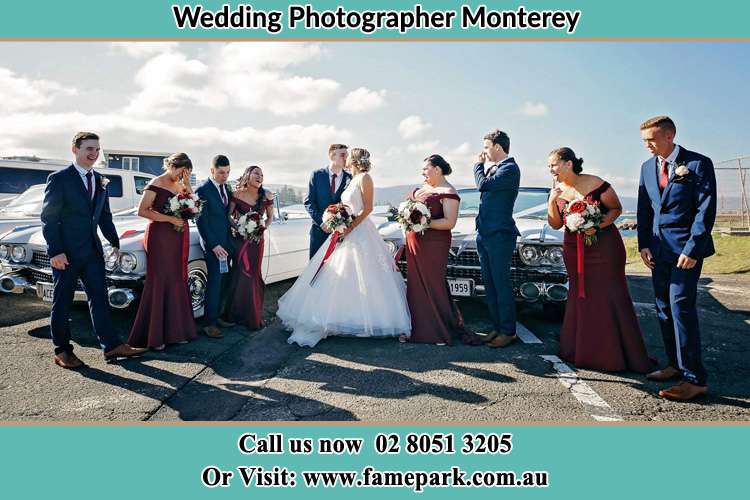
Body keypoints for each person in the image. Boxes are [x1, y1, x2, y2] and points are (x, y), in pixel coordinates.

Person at [277, 148, 411, 347]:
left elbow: (368, 209)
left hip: (360, 230)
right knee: (341, 273)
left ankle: (367, 319)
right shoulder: (352, 179)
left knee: (366, 273)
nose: (345, 158)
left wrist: (350, 227)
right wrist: (337, 218)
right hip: (346, 229)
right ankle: (341, 315)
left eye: (348, 156)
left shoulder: (365, 178)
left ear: (354, 160)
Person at [40, 131, 146, 368]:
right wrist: (55, 251)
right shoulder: (60, 178)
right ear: (75, 149)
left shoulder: (100, 179)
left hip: (93, 253)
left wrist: (115, 242)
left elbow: (104, 216)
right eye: (89, 149)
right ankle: (62, 351)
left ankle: (112, 346)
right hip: (65, 254)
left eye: (97, 149)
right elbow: (48, 218)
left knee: (99, 299)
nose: (94, 154)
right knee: (63, 302)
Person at [547, 147, 654, 373]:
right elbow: (556, 224)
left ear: (568, 163)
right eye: (549, 166)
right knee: (580, 294)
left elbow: (616, 209)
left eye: (554, 164)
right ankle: (580, 350)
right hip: (574, 248)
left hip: (604, 248)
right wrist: (552, 200)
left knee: (609, 294)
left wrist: (595, 225)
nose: (551, 170)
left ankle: (615, 354)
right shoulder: (557, 190)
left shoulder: (595, 183)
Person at [637, 116, 717, 401]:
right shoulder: (647, 168)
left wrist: (692, 249)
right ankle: (674, 364)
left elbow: (705, 211)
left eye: (651, 139)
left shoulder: (698, 164)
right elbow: (644, 207)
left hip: (686, 252)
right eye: (644, 139)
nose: (646, 144)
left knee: (681, 307)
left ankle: (694, 379)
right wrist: (643, 244)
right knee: (662, 308)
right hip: (658, 251)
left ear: (669, 136)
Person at [404, 154, 480, 346]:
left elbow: (449, 222)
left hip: (434, 245)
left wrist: (424, 223)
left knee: (432, 284)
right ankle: (415, 327)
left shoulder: (448, 192)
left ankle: (435, 331)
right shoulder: (422, 189)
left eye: (425, 168)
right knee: (415, 285)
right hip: (415, 243)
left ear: (437, 169)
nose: (422, 172)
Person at [128, 153, 198, 350]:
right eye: (180, 171)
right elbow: (142, 211)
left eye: (186, 172)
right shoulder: (156, 182)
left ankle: (177, 332)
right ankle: (155, 335)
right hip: (160, 236)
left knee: (177, 279)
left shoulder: (181, 184)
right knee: (160, 279)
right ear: (171, 165)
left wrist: (187, 184)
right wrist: (169, 219)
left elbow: (193, 207)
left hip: (178, 237)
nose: (181, 175)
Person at [473, 130, 520, 348]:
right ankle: (496, 327)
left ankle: (508, 331)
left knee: (501, 284)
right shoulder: (496, 169)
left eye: (486, 147)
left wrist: (477, 166)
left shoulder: (510, 169)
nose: (483, 151)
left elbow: (483, 185)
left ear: (497, 147)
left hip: (500, 235)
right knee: (489, 284)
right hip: (485, 233)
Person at [225, 166, 275, 330]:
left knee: (253, 274)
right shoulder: (237, 194)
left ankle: (253, 315)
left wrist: (261, 229)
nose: (260, 177)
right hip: (240, 240)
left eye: (262, 174)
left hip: (257, 241)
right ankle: (235, 314)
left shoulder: (266, 195)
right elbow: (229, 217)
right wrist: (240, 228)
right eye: (256, 173)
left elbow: (269, 218)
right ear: (247, 175)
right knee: (240, 274)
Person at [195, 155, 235, 339]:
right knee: (214, 282)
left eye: (227, 172)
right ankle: (209, 323)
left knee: (225, 281)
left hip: (227, 243)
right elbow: (201, 222)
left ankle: (218, 316)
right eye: (221, 172)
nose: (224, 176)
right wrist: (214, 245)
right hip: (214, 246)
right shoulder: (202, 190)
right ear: (212, 170)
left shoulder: (226, 187)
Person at [304, 144, 353, 258]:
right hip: (318, 232)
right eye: (342, 155)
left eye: (347, 155)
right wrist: (322, 223)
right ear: (332, 156)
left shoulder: (350, 178)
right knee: (315, 270)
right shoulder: (317, 175)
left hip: (340, 234)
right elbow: (309, 202)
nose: (346, 158)